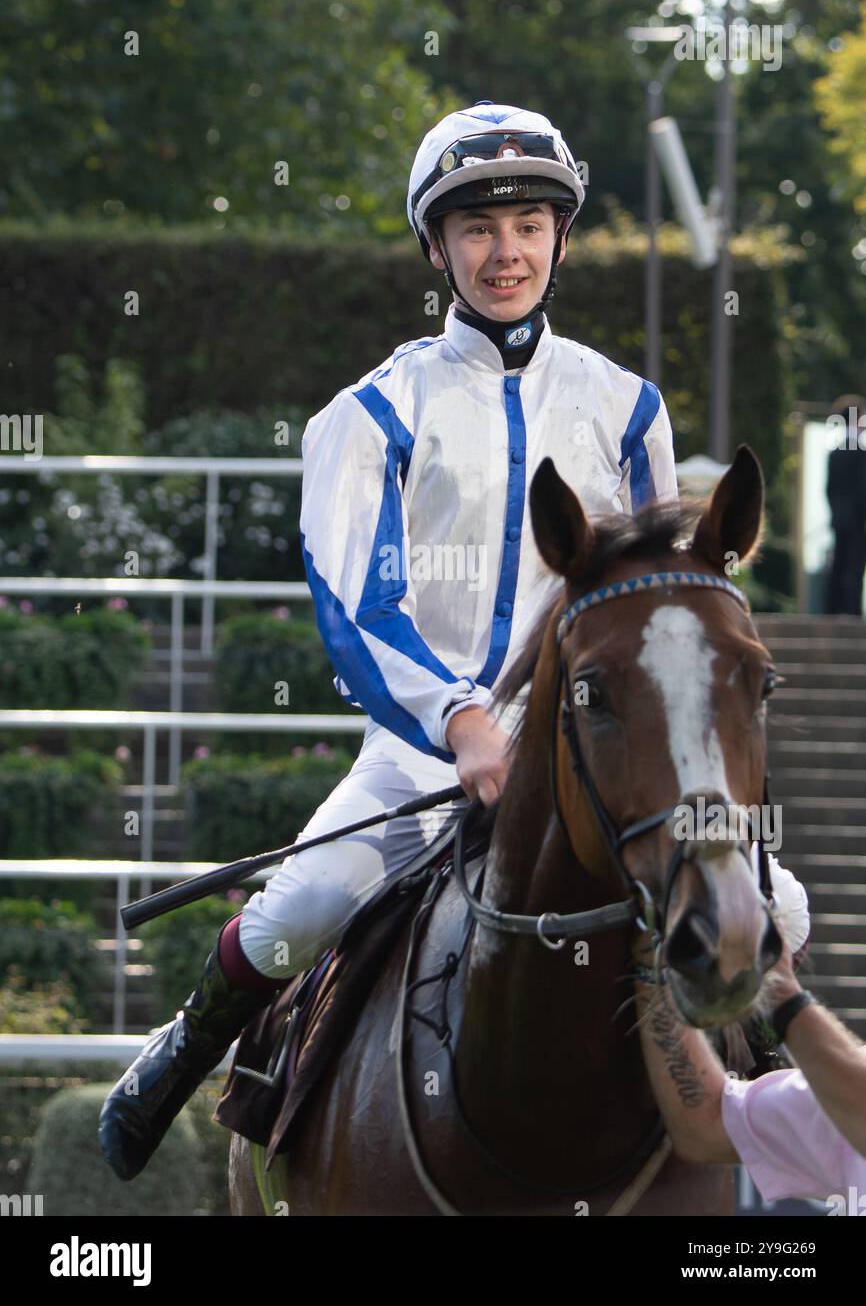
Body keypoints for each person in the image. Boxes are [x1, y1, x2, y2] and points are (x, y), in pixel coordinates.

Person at [97, 100, 768, 1182]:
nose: (504, 251)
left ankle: (782, 1147)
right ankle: (182, 1049)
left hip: (589, 751)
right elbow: (353, 602)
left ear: (558, 236)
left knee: (766, 903)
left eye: (527, 225)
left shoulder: (629, 407)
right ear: (437, 247)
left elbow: (654, 597)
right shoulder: (366, 415)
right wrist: (461, 721)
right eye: (475, 229)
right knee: (302, 904)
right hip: (418, 749)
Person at [632, 920, 865, 1206]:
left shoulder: (848, 1098)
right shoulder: (840, 1101)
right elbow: (707, 1126)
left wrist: (784, 997)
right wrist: (655, 967)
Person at [825, 393, 866, 616]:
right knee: (855, 567)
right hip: (858, 519)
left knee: (838, 565)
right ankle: (852, 612)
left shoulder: (835, 452)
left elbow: (828, 488)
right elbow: (863, 489)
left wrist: (835, 511)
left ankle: (831, 610)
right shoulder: (860, 452)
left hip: (839, 517)